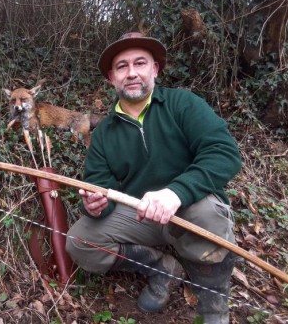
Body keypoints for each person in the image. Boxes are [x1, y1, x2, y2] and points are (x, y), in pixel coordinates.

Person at [66, 32, 242, 324]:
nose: (132, 73)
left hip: (189, 208)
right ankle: (162, 268)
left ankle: (213, 307)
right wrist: (95, 204)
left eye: (140, 63)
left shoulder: (183, 104)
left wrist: (176, 193)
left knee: (209, 215)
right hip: (140, 217)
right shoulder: (104, 134)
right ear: (111, 77)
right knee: (80, 241)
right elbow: (99, 185)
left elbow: (224, 153)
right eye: (122, 66)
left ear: (155, 69)